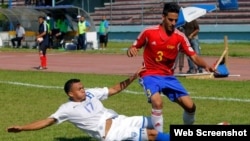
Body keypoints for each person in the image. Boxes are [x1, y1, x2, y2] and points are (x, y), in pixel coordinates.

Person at [6, 68, 170, 141]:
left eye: (83, 87)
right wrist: (22, 128)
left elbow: (113, 89)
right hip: (113, 133)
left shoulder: (91, 93)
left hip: (121, 120)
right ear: (71, 93)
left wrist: (133, 77)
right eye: (79, 89)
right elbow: (46, 121)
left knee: (155, 121)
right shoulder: (67, 109)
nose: (83, 90)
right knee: (153, 135)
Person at [127, 2, 214, 132]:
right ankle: (159, 137)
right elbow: (133, 47)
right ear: (163, 17)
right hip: (149, 74)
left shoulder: (180, 37)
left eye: (175, 20)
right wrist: (131, 50)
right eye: (170, 20)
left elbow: (194, 57)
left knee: (191, 107)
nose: (173, 23)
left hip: (168, 77)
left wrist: (206, 66)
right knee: (157, 103)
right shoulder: (148, 32)